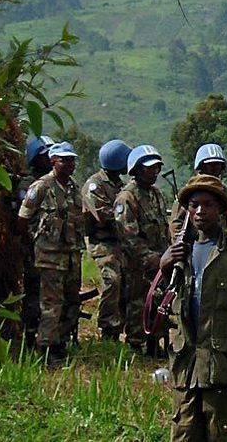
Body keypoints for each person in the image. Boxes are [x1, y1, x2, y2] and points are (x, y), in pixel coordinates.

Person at [158, 174, 227, 442]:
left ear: (221, 210)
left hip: (223, 372)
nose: (200, 211)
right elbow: (162, 310)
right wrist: (164, 265)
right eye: (194, 205)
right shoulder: (180, 253)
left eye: (208, 204)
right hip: (186, 372)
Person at [15, 141, 82, 367]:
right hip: (49, 255)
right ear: (53, 161)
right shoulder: (41, 187)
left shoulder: (73, 187)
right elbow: (23, 219)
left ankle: (62, 342)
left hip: (71, 253)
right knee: (51, 303)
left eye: (72, 160)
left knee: (71, 301)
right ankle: (47, 348)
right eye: (65, 160)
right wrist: (36, 242)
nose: (70, 164)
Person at [115, 144, 169, 356]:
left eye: (157, 167)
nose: (154, 171)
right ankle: (135, 345)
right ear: (136, 169)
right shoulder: (126, 198)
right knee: (138, 304)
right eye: (149, 168)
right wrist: (151, 258)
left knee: (160, 302)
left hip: (159, 263)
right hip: (137, 265)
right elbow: (128, 236)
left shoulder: (156, 194)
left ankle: (156, 343)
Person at [81, 139, 132, 341]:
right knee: (113, 281)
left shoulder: (121, 185)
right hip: (102, 243)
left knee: (127, 284)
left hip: (120, 243)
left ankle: (121, 327)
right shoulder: (95, 185)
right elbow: (101, 216)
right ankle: (107, 328)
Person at [15, 135, 55, 346]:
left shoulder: (55, 184)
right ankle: (30, 337)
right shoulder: (29, 185)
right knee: (34, 293)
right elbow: (23, 220)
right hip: (34, 248)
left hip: (52, 250)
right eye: (45, 155)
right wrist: (32, 244)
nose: (50, 159)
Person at [168, 143, 227, 242]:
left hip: (219, 242)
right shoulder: (190, 190)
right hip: (195, 243)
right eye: (211, 165)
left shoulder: (223, 190)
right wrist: (179, 245)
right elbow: (176, 223)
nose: (215, 168)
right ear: (202, 166)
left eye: (218, 164)